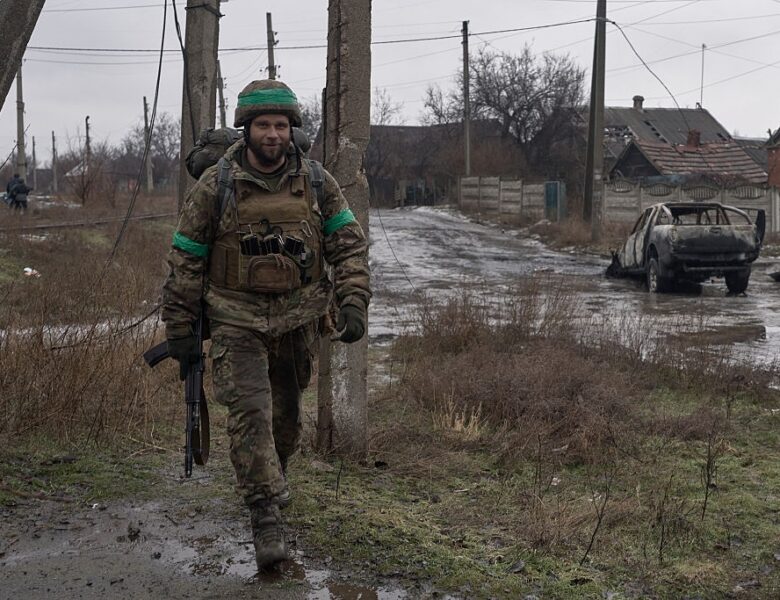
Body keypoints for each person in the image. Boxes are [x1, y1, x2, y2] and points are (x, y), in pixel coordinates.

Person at [161, 79, 371, 570]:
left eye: (280, 125)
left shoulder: (317, 182)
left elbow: (347, 245)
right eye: (262, 125)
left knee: (285, 423)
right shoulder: (217, 185)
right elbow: (186, 258)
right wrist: (180, 327)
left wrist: (354, 299)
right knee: (250, 415)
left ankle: (271, 480)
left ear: (291, 129)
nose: (272, 134)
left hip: (298, 322)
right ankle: (265, 518)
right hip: (236, 321)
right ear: (246, 129)